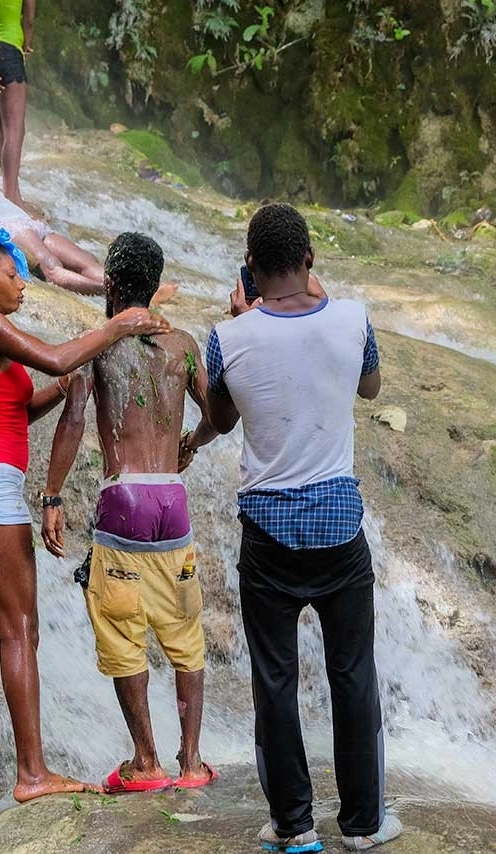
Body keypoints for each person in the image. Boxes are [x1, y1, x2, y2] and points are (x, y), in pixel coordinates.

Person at [0, 218, 170, 803]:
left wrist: (59, 394)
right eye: (12, 273)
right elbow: (58, 360)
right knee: (21, 629)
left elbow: (18, 409)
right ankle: (32, 774)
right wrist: (116, 325)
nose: (22, 283)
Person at [184, 203, 400, 852]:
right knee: (353, 672)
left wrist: (239, 326)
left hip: (269, 531)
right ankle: (363, 825)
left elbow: (221, 419)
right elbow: (371, 389)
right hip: (339, 525)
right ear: (309, 259)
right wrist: (323, 300)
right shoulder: (352, 320)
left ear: (250, 269)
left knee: (275, 679)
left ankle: (293, 825)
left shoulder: (231, 339)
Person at [41, 233, 217, 795]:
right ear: (157, 284)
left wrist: (52, 497)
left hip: (123, 501)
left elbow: (72, 423)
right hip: (172, 499)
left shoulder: (97, 347)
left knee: (122, 630)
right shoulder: (184, 344)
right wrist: (189, 443)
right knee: (185, 631)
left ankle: (145, 762)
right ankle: (191, 761)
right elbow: (217, 415)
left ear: (110, 286)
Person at [0, 128, 178, 302]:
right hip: (8, 229)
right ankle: (123, 293)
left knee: (86, 259)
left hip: (28, 225)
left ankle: (134, 291)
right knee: (52, 268)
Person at [0, 0, 31, 204]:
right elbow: (29, 20)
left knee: (3, 131)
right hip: (10, 49)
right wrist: (27, 44)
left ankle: (11, 190)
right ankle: (11, 196)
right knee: (15, 131)